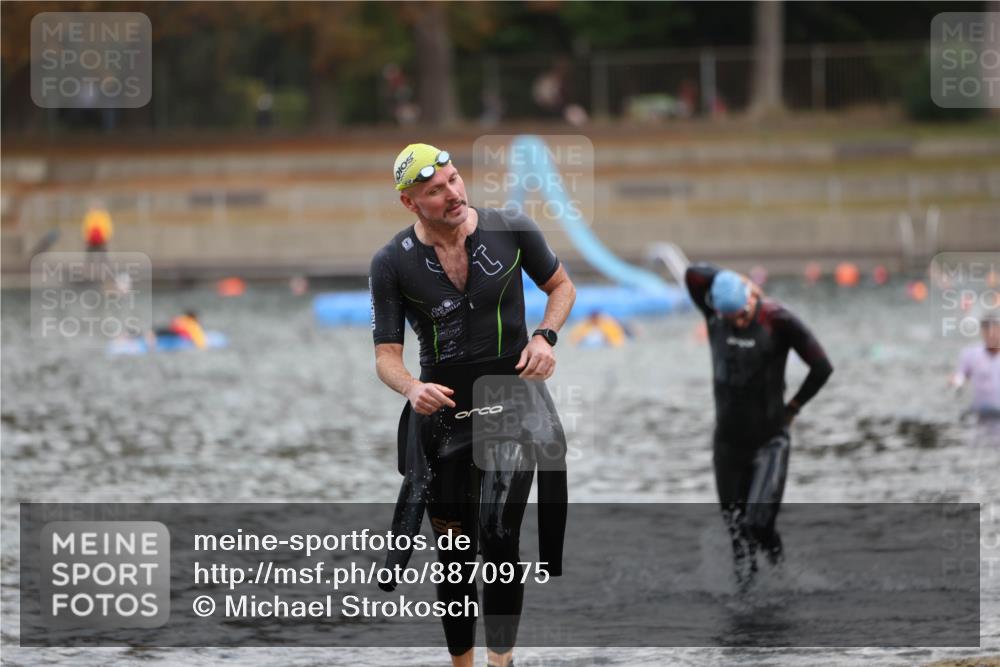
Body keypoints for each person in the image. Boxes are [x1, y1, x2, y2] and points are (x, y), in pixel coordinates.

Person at [370, 143, 576, 667]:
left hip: (513, 399)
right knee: (456, 557)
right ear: (409, 202)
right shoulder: (392, 262)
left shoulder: (511, 229)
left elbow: (561, 287)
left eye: (454, 180)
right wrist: (411, 388)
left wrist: (545, 337)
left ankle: (500, 663)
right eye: (435, 191)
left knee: (499, 533)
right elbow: (386, 357)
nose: (452, 194)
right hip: (442, 416)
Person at [685, 264, 833, 587]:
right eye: (730, 318)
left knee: (759, 523)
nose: (737, 323)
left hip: (770, 442)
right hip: (728, 445)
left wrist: (793, 407)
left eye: (741, 315)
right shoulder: (713, 315)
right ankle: (746, 600)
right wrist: (729, 279)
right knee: (737, 532)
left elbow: (822, 367)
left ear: (751, 299)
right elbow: (693, 274)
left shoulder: (777, 320)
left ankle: (783, 579)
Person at [951, 314, 1000, 421]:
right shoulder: (971, 354)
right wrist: (956, 381)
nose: (991, 335)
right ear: (982, 333)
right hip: (981, 412)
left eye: (995, 331)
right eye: (987, 332)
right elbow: (961, 375)